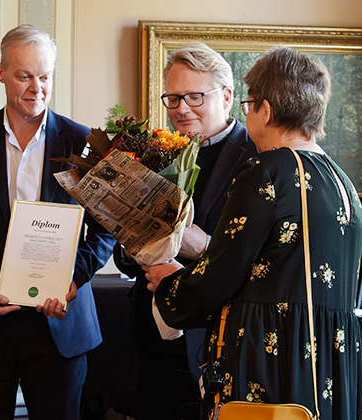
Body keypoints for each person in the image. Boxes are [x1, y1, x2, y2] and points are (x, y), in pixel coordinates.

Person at [145, 47, 362, 420]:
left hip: (270, 361)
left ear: (266, 110)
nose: (246, 116)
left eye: (248, 105)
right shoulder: (341, 180)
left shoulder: (266, 171)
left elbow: (219, 276)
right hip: (329, 363)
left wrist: (171, 283)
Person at [0, 24, 115, 420]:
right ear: (1, 72)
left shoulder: (83, 142)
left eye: (44, 76)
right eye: (24, 76)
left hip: (59, 326)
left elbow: (105, 229)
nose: (36, 88)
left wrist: (73, 280)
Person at [113, 41, 257, 420]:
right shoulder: (159, 150)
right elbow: (126, 258)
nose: (181, 110)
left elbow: (262, 261)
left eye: (194, 97)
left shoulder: (258, 157)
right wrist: (133, 245)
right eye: (173, 99)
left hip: (211, 343)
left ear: (226, 96)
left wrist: (206, 247)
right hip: (150, 342)